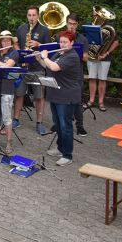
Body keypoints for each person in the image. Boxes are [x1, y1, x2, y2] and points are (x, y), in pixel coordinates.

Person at [37, 30, 80, 166]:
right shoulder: (58, 53)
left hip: (67, 94)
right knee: (58, 124)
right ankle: (61, 148)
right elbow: (49, 67)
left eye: (65, 42)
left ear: (72, 43)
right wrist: (39, 59)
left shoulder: (72, 56)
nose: (62, 44)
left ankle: (67, 155)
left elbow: (54, 67)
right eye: (60, 41)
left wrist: (45, 57)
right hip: (55, 93)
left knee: (66, 125)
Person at [13, 5, 52, 133]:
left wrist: (38, 44)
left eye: (34, 15)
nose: (31, 18)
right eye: (29, 15)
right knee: (19, 94)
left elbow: (49, 49)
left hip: (37, 67)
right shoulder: (21, 28)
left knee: (39, 96)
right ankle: (16, 119)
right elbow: (16, 43)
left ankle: (39, 122)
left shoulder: (44, 30)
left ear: (38, 16)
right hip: (23, 67)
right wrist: (19, 52)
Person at [59, 13, 89, 136]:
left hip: (76, 75)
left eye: (74, 24)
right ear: (66, 23)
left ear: (78, 24)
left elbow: (86, 58)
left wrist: (72, 51)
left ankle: (79, 126)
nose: (72, 26)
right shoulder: (59, 37)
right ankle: (59, 124)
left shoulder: (82, 39)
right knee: (60, 100)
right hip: (61, 74)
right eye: (70, 23)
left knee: (77, 101)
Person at [86, 9, 119, 112]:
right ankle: (91, 100)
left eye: (97, 12)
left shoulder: (110, 26)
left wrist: (106, 53)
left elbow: (116, 42)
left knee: (102, 79)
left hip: (105, 57)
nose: (95, 14)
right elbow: (85, 39)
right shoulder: (89, 24)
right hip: (92, 56)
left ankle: (101, 101)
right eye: (94, 12)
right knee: (92, 78)